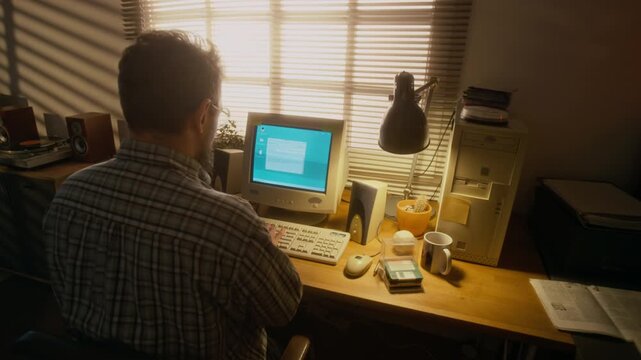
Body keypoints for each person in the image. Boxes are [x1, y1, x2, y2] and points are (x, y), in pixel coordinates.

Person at [43, 30, 302, 359]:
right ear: (204, 113)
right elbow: (284, 309)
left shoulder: (68, 196)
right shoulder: (228, 224)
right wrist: (264, 248)